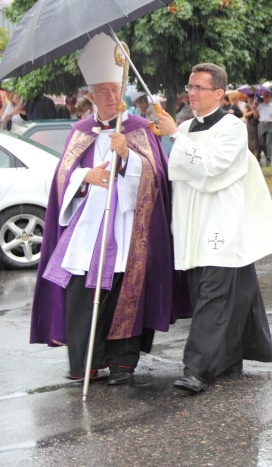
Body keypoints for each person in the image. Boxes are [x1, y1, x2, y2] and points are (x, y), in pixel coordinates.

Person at [30, 33, 188, 385]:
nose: (111, 96)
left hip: (128, 227)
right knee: (81, 294)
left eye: (115, 90)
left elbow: (158, 176)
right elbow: (61, 178)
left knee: (125, 292)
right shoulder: (80, 132)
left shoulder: (139, 129)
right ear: (91, 96)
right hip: (87, 230)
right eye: (103, 91)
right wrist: (87, 176)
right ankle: (87, 361)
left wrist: (128, 155)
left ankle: (121, 363)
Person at [157, 62, 272, 394]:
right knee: (221, 293)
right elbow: (179, 173)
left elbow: (211, 168)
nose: (192, 92)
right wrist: (173, 135)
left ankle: (196, 369)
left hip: (220, 225)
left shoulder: (233, 127)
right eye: (189, 86)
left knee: (212, 299)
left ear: (218, 93)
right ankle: (228, 358)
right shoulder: (186, 128)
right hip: (191, 225)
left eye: (199, 87)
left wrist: (174, 136)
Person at [253, 90, 272, 166]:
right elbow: (256, 116)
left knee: (268, 143)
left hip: (271, 124)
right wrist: (254, 109)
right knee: (261, 142)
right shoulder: (260, 106)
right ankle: (260, 156)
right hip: (262, 124)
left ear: (270, 97)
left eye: (267, 96)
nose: (265, 98)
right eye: (264, 96)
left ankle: (268, 160)